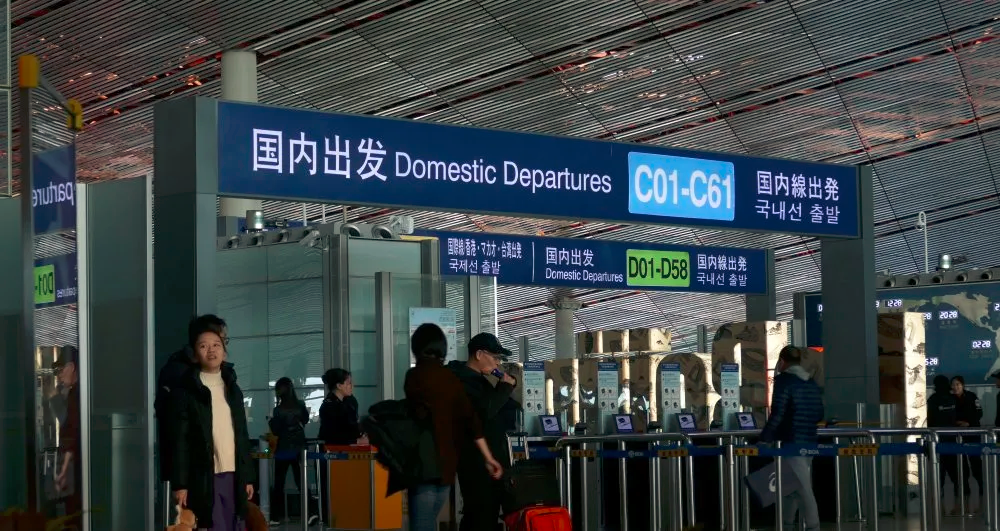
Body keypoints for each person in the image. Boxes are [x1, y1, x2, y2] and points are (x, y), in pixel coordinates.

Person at [405, 323, 503, 531]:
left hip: (434, 462)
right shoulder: (453, 380)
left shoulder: (421, 378)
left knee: (427, 521)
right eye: (495, 357)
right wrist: (488, 457)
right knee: (471, 513)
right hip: (442, 462)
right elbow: (474, 420)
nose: (498, 362)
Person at [169, 318, 254, 531]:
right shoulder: (187, 391)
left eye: (217, 344)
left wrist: (247, 478)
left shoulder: (233, 389)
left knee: (236, 525)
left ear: (224, 352)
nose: (211, 350)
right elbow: (180, 441)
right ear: (194, 354)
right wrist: (181, 484)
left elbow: (242, 435)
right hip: (206, 474)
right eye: (203, 346)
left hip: (234, 474)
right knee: (215, 525)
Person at [447, 333, 517, 530]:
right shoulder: (461, 381)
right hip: (475, 461)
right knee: (480, 514)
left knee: (486, 514)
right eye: (495, 357)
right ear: (479, 354)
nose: (497, 363)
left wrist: (507, 386)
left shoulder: (479, 380)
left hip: (490, 459)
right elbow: (483, 412)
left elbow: (502, 408)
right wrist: (504, 388)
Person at [156, 314, 228, 483]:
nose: (223, 347)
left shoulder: (216, 374)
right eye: (221, 340)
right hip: (193, 472)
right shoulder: (181, 375)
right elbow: (179, 430)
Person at [760, 346, 824, 531]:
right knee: (791, 486)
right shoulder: (810, 382)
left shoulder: (784, 381)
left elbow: (778, 412)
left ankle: (813, 526)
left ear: (782, 361)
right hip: (809, 440)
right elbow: (819, 412)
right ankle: (785, 524)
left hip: (790, 441)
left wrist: (765, 437)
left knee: (803, 488)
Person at [268, 377, 318, 526]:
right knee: (301, 482)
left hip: (283, 449)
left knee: (279, 483)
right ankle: (310, 512)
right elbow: (305, 420)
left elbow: (275, 430)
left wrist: (270, 420)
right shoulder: (301, 405)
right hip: (299, 449)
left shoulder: (277, 410)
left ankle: (275, 517)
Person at [952, 375, 984, 512]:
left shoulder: (972, 396)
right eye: (953, 385)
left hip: (972, 434)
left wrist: (968, 423)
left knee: (975, 462)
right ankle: (965, 489)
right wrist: (957, 423)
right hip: (956, 435)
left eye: (958, 384)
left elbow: (979, 413)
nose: (955, 387)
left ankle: (982, 487)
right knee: (961, 463)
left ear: (963, 385)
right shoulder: (950, 399)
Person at [928, 374, 960, 507]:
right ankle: (959, 493)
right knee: (955, 470)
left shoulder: (933, 399)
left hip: (938, 440)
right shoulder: (953, 398)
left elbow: (929, 420)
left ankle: (938, 492)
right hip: (953, 439)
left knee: (939, 469)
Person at [318, 368, 367, 446]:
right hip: (335, 450)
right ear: (339, 386)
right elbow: (331, 436)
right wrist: (356, 441)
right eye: (349, 383)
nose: (352, 386)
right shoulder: (328, 406)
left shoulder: (350, 401)